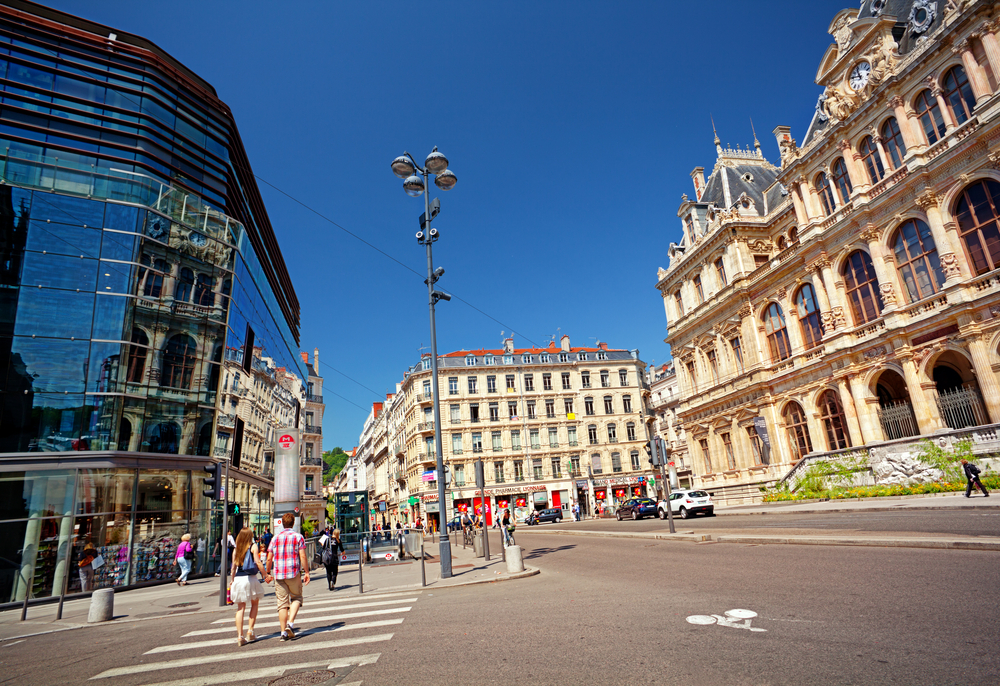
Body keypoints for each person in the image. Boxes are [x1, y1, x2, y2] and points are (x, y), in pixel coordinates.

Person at [265, 513, 310, 641]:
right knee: (296, 598)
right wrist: (306, 572)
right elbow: (302, 556)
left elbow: (269, 558)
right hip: (293, 573)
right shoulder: (298, 537)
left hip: (279, 575)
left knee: (282, 604)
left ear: (282, 523)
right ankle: (290, 624)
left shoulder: (275, 538)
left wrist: (268, 572)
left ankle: (283, 632)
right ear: (293, 523)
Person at [230, 526, 265, 646]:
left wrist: (232, 580)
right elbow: (258, 562)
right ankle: (250, 631)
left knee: (240, 607)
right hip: (250, 578)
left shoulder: (236, 549)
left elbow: (233, 567)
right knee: (254, 604)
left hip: (238, 579)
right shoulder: (253, 546)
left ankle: (240, 636)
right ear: (250, 536)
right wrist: (265, 575)